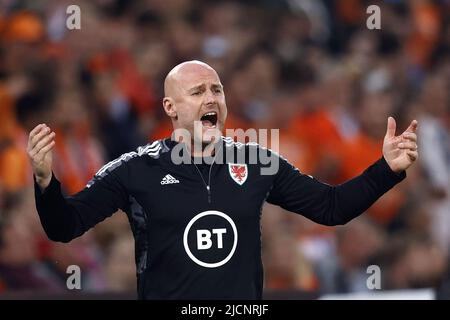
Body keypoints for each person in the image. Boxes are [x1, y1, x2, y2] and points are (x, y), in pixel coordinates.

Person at [28, 60, 419, 299]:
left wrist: (386, 170)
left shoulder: (258, 161)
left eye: (217, 89)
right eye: (197, 92)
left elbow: (331, 208)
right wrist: (46, 182)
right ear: (171, 107)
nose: (211, 98)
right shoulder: (134, 169)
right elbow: (65, 226)